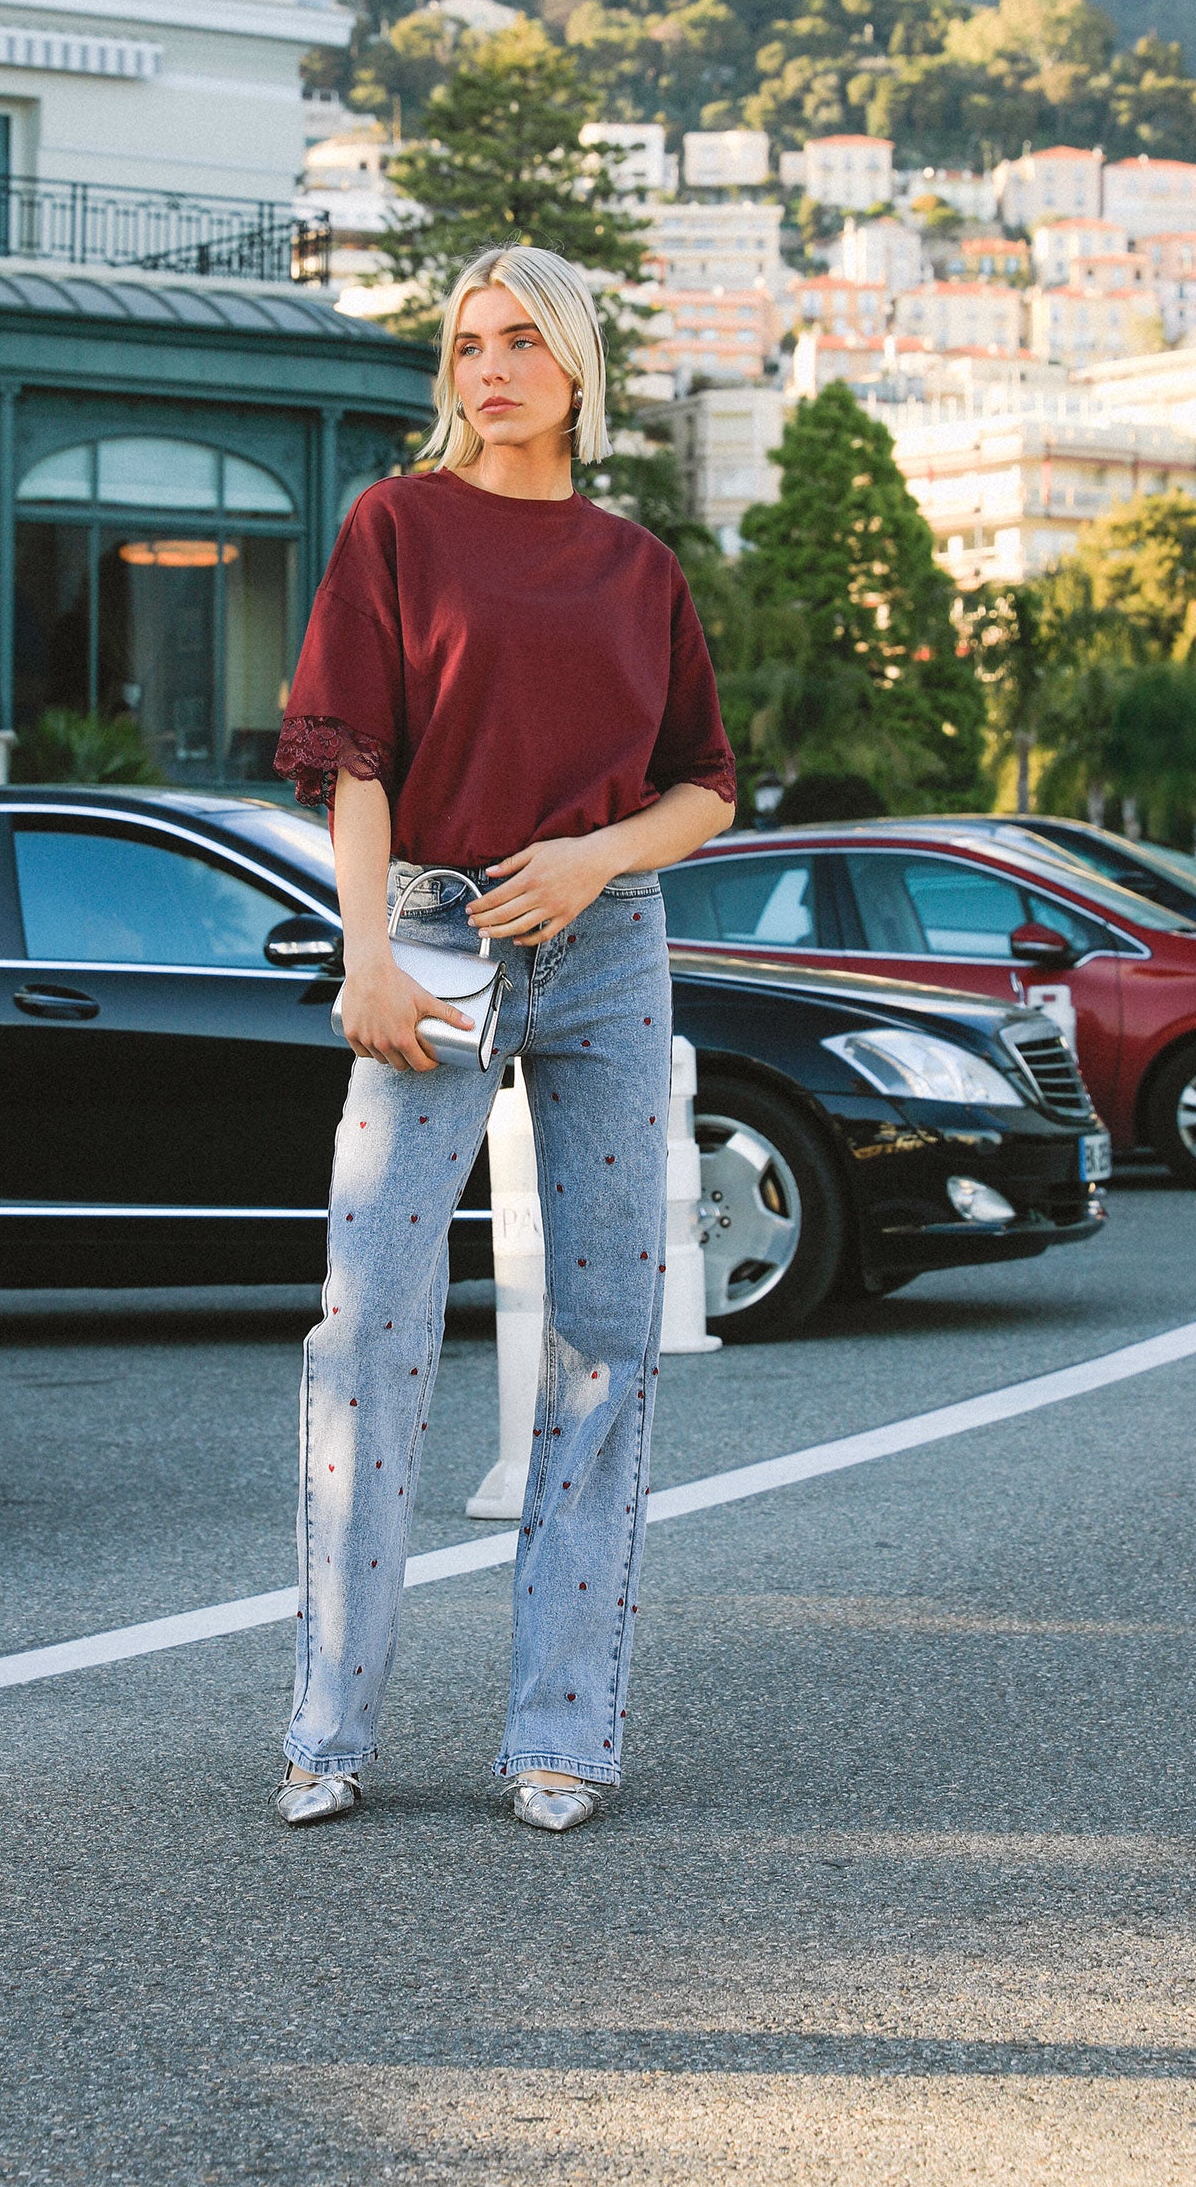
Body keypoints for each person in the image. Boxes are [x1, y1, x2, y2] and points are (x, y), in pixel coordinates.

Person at [271, 244, 737, 1833]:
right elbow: (353, 754)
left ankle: (561, 1733)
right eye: (469, 342)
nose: (492, 367)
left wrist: (602, 856)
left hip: (607, 951)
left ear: (577, 366)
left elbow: (705, 787)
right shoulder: (395, 525)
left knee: (607, 1336)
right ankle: (328, 1732)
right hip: (434, 943)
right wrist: (368, 954)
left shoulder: (636, 567)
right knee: (369, 1325)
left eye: (524, 340)